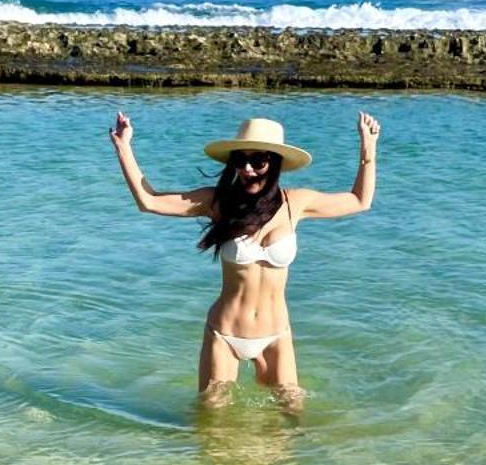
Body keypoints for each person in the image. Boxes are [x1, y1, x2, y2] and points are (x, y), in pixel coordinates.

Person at [108, 109, 380, 408]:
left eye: (258, 161)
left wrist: (368, 147)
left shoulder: (296, 204)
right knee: (212, 421)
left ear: (274, 163)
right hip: (224, 334)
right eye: (241, 160)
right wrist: (124, 147)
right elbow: (149, 201)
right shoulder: (217, 202)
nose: (248, 169)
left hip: (276, 335)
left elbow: (359, 200)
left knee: (292, 417)